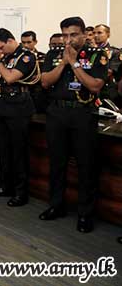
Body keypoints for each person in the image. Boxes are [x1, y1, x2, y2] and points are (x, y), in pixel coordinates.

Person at [39, 17, 106, 233]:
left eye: (74, 35)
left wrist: (75, 63)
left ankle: (85, 214)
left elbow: (94, 86)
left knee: (86, 165)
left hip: (82, 114)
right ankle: (56, 205)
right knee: (57, 162)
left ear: (84, 34)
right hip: (57, 113)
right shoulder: (54, 54)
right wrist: (64, 63)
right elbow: (45, 81)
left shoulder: (96, 55)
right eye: (65, 35)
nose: (69, 39)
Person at [0, 29, 37, 207]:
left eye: (0, 47)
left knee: (19, 151)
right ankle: (4, 186)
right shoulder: (4, 57)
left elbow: (9, 78)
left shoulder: (26, 56)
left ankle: (21, 192)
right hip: (3, 105)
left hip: (19, 107)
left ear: (9, 41)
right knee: (4, 150)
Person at [93, 24, 121, 104]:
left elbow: (109, 72)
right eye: (94, 33)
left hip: (106, 91)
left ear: (108, 34)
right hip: (90, 89)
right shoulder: (90, 51)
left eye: (99, 33)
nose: (96, 35)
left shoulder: (115, 52)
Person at [21, 30, 48, 113]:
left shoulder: (43, 57)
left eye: (29, 42)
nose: (26, 45)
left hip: (39, 94)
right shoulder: (18, 58)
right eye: (23, 42)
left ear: (35, 42)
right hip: (22, 94)